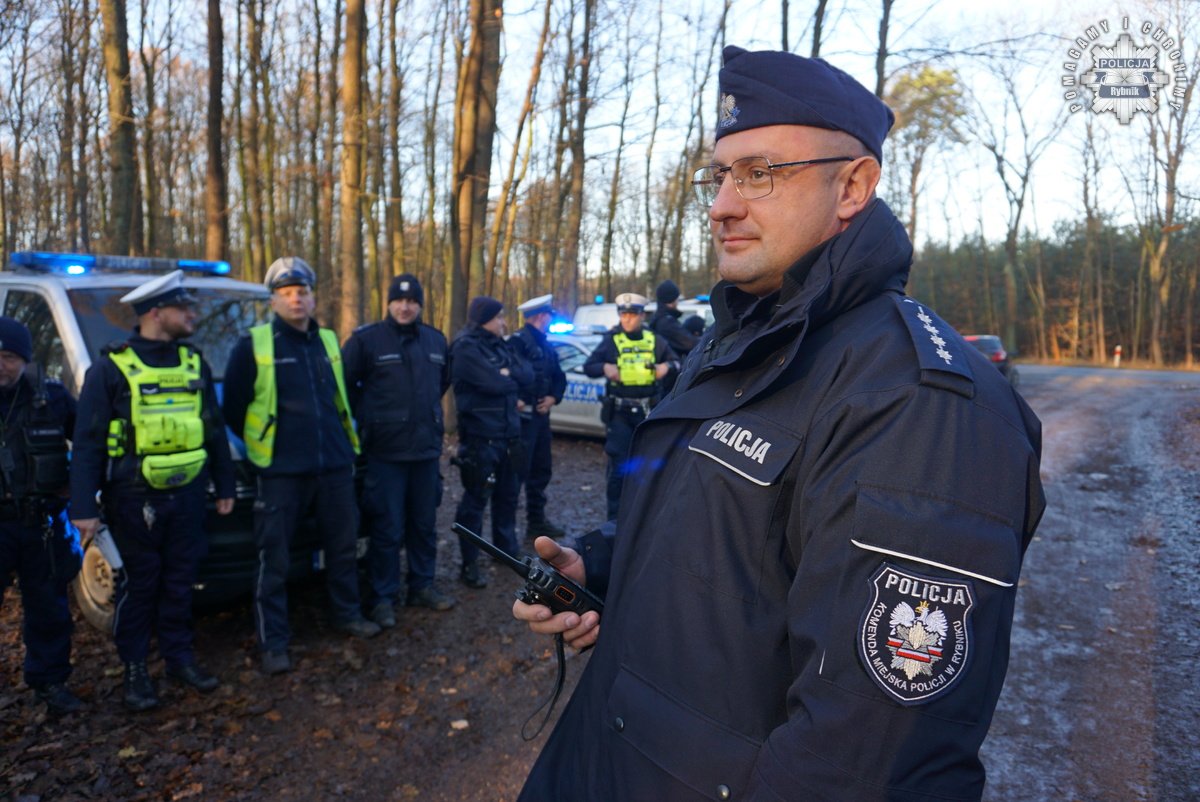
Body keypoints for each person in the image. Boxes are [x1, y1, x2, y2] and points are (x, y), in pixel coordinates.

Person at [514, 46, 1045, 801]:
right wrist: (598, 572)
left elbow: (864, 763)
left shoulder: (918, 403)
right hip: (611, 757)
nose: (723, 204)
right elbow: (730, 541)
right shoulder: (737, 338)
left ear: (853, 186)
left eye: (760, 172)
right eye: (720, 175)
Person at [71, 272, 236, 710]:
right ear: (157, 313)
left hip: (187, 495)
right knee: (141, 584)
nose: (193, 316)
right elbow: (87, 442)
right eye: (186, 309)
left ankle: (180, 659)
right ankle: (135, 669)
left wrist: (224, 484)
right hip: (132, 500)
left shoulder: (193, 362)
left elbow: (213, 429)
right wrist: (84, 506)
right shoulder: (110, 368)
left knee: (181, 581)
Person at [222, 257, 380, 676]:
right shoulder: (253, 345)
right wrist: (264, 452)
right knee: (273, 559)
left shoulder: (328, 341)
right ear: (273, 300)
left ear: (313, 297)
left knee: (342, 548)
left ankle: (346, 614)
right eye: (287, 293)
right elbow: (234, 409)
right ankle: (274, 641)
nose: (296, 299)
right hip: (280, 473)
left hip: (333, 467)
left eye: (302, 292)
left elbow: (341, 398)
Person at [342, 274, 455, 622]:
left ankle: (422, 585)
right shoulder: (366, 340)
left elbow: (442, 382)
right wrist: (373, 417)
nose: (405, 307)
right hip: (384, 455)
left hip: (423, 453)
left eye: (411, 301)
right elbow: (345, 387)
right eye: (398, 301)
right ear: (388, 303)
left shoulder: (436, 341)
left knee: (423, 525)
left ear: (420, 304)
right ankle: (384, 597)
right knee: (386, 530)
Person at [0, 318, 83, 714]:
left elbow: (87, 441)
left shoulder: (51, 397)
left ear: (25, 359)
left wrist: (80, 492)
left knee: (49, 609)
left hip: (42, 523)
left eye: (9, 356)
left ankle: (50, 683)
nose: (1, 364)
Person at [450, 296, 532, 588]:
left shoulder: (501, 344)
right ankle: (469, 563)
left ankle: (505, 549)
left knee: (508, 496)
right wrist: (505, 377)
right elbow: (494, 383)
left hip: (509, 436)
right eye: (499, 317)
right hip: (480, 439)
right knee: (475, 501)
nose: (503, 323)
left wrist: (506, 375)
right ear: (485, 318)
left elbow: (527, 375)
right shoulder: (465, 347)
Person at [582, 292, 672, 520]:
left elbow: (680, 363)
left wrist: (668, 366)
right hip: (620, 414)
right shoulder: (611, 340)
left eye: (632, 315)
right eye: (623, 315)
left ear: (642, 315)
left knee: (649, 467)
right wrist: (604, 367)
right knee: (619, 469)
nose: (627, 319)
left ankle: (644, 519)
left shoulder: (655, 340)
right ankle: (615, 522)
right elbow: (588, 366)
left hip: (648, 413)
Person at [509, 294, 567, 541]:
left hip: (541, 420)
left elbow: (559, 377)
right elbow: (510, 376)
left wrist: (553, 397)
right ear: (541, 316)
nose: (549, 320)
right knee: (516, 474)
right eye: (548, 316)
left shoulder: (546, 345)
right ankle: (507, 531)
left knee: (541, 471)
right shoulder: (517, 343)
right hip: (522, 420)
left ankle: (536, 522)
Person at [648, 279, 700, 359]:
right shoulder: (667, 323)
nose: (677, 302)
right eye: (676, 298)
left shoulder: (659, 319)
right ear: (671, 300)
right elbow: (690, 343)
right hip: (672, 367)